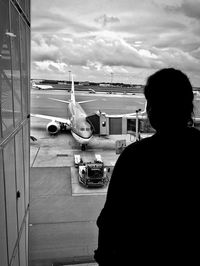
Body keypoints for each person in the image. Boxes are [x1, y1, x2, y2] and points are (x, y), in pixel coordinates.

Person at [94, 68, 200, 265]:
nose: (148, 110)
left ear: (154, 109)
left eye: (151, 103)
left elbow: (110, 222)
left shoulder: (136, 157)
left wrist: (104, 257)